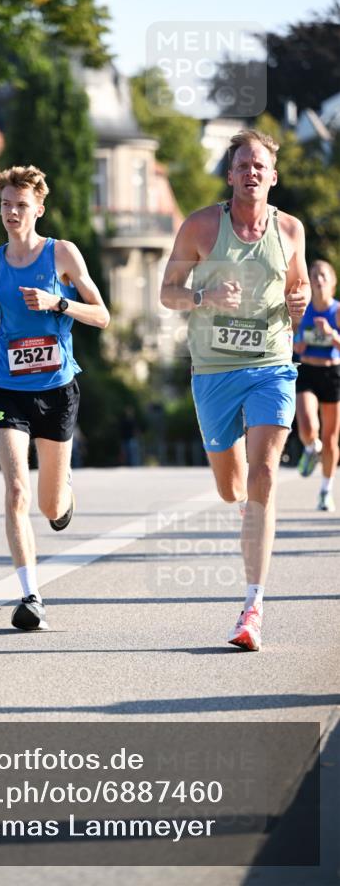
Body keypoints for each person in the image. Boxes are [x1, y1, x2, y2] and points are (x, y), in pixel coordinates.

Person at [160, 130, 309, 651]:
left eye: (259, 166)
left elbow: (298, 288)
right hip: (214, 373)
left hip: (271, 364)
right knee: (232, 489)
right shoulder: (202, 226)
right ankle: (245, 508)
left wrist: (300, 304)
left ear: (272, 176)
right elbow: (167, 293)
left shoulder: (290, 230)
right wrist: (203, 294)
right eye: (242, 164)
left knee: (265, 471)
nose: (250, 172)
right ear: (230, 174)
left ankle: (252, 607)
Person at [0, 165, 109, 631]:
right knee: (16, 490)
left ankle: (64, 496)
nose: (11, 212)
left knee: (48, 505)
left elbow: (102, 316)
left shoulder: (61, 254)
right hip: (7, 384)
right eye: (5, 204)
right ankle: (30, 594)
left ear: (38, 209)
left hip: (57, 389)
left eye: (20, 205)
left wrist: (57, 303)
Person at [293, 260, 340, 511]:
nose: (318, 279)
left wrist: (332, 335)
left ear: (332, 281)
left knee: (331, 439)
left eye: (323, 275)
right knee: (309, 426)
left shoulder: (338, 311)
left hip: (333, 373)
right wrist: (296, 345)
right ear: (309, 283)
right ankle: (312, 447)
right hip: (308, 371)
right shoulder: (304, 312)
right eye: (314, 276)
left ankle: (325, 490)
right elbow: (293, 340)